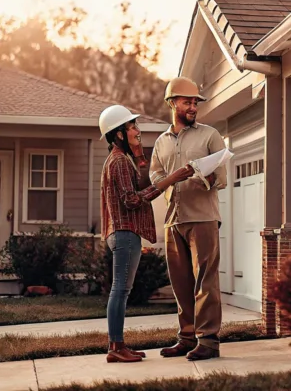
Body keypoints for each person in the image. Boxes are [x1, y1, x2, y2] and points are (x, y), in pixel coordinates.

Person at [98, 104, 195, 363]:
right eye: (132, 126)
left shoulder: (121, 158)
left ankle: (118, 346)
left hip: (122, 232)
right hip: (124, 232)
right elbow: (131, 200)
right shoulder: (119, 161)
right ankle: (115, 348)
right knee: (120, 290)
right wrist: (170, 179)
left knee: (121, 290)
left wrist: (140, 157)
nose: (137, 130)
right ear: (119, 134)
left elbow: (136, 188)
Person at [150, 77, 229, 361]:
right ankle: (186, 338)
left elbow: (221, 177)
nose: (193, 107)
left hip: (203, 218)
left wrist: (198, 176)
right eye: (187, 102)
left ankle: (208, 341)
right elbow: (155, 176)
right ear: (172, 103)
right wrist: (172, 178)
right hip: (173, 219)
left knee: (205, 281)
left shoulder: (210, 135)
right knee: (181, 283)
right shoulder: (161, 142)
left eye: (195, 102)